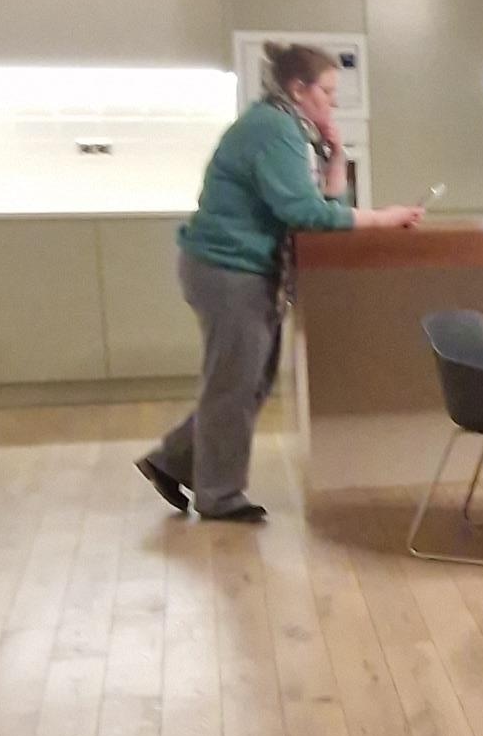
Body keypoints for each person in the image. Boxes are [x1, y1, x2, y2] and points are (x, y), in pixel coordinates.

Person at [138, 45, 419, 521]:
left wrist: (335, 155)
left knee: (247, 380)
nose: (333, 101)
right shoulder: (274, 130)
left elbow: (321, 211)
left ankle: (173, 460)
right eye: (327, 92)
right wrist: (382, 218)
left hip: (236, 269)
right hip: (228, 270)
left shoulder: (283, 126)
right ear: (298, 89)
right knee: (235, 382)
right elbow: (305, 213)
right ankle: (219, 497)